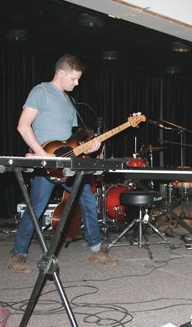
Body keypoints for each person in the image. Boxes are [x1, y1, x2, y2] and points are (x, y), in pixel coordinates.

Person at [9, 54, 116, 273]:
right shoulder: (41, 92)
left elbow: (72, 138)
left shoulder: (70, 101)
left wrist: (90, 145)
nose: (77, 84)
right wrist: (43, 155)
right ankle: (18, 254)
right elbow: (23, 126)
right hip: (46, 162)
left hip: (68, 163)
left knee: (88, 199)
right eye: (74, 79)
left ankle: (95, 248)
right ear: (60, 73)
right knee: (35, 207)